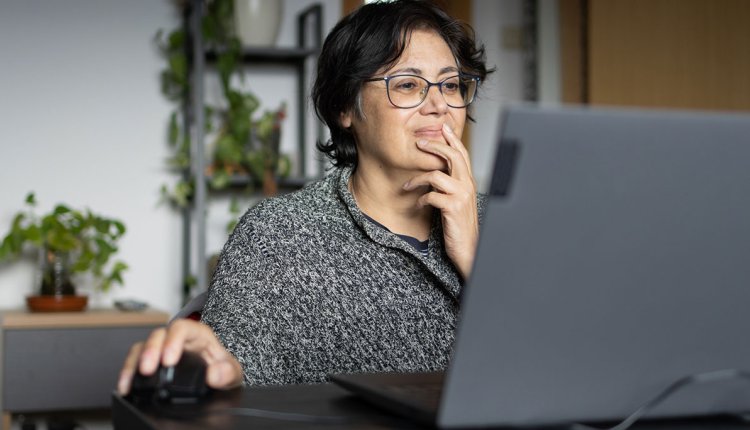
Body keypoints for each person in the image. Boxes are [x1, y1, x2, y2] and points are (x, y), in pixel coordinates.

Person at [118, 0, 490, 394]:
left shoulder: (501, 221)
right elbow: (235, 376)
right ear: (345, 106)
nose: (438, 106)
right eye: (407, 84)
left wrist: (477, 258)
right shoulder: (278, 234)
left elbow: (555, 367)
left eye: (451, 85)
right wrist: (208, 366)